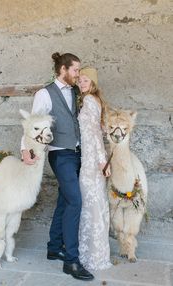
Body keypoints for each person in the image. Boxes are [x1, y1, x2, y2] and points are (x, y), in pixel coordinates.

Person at [21, 53, 94, 281]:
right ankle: (71, 261)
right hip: (59, 154)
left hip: (77, 153)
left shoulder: (75, 91)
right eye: (75, 70)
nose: (78, 74)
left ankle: (54, 247)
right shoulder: (45, 94)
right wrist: (25, 148)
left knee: (65, 199)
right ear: (63, 69)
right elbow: (33, 122)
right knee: (75, 201)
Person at [77, 67, 112, 271]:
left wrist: (100, 160)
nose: (81, 84)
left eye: (85, 81)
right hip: (90, 158)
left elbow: (95, 135)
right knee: (95, 204)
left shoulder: (89, 101)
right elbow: (101, 129)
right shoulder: (94, 101)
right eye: (80, 80)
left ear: (93, 83)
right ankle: (95, 253)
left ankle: (91, 255)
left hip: (91, 160)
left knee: (91, 205)